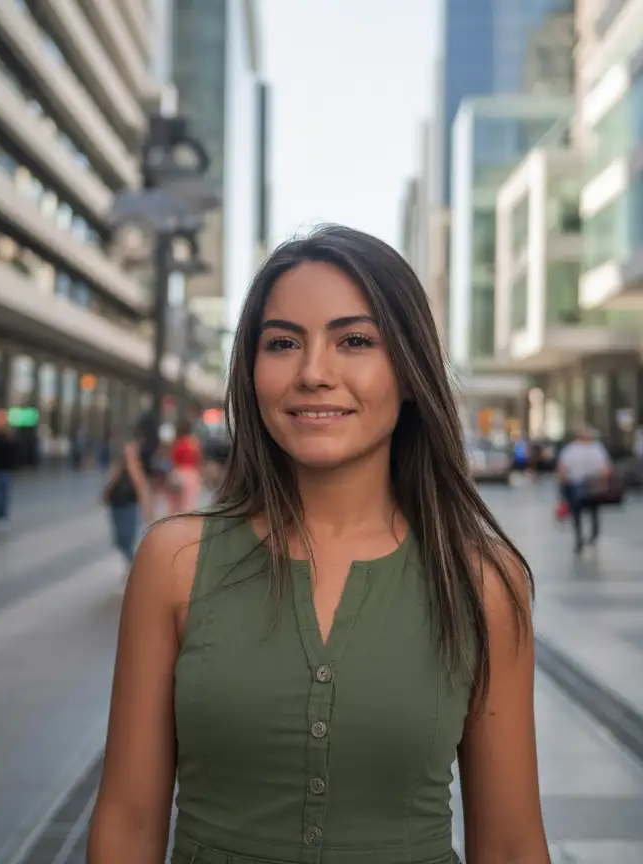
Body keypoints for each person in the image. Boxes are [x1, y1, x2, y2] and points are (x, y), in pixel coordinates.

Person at [87, 225, 548, 863]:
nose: (313, 373)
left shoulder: (483, 581)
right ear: (251, 374)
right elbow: (127, 825)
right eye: (282, 344)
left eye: (354, 340)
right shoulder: (174, 564)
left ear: (411, 372)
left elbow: (512, 846)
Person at [102, 419, 153, 565]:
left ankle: (134, 566)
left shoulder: (133, 464)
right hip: (119, 501)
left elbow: (140, 484)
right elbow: (114, 477)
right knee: (121, 540)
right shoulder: (121, 462)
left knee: (125, 538)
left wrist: (147, 507)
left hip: (128, 502)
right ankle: (133, 565)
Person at [556, 424, 613, 554]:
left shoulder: (570, 450)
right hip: (594, 484)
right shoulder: (597, 449)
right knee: (594, 511)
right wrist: (604, 482)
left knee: (577, 513)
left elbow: (562, 470)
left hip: (575, 484)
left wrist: (562, 485)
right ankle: (593, 535)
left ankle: (579, 538)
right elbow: (606, 469)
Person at [167, 419, 203, 513]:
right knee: (189, 505)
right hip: (192, 474)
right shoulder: (194, 443)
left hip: (178, 472)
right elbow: (199, 459)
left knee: (175, 504)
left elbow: (172, 459)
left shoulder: (176, 443)